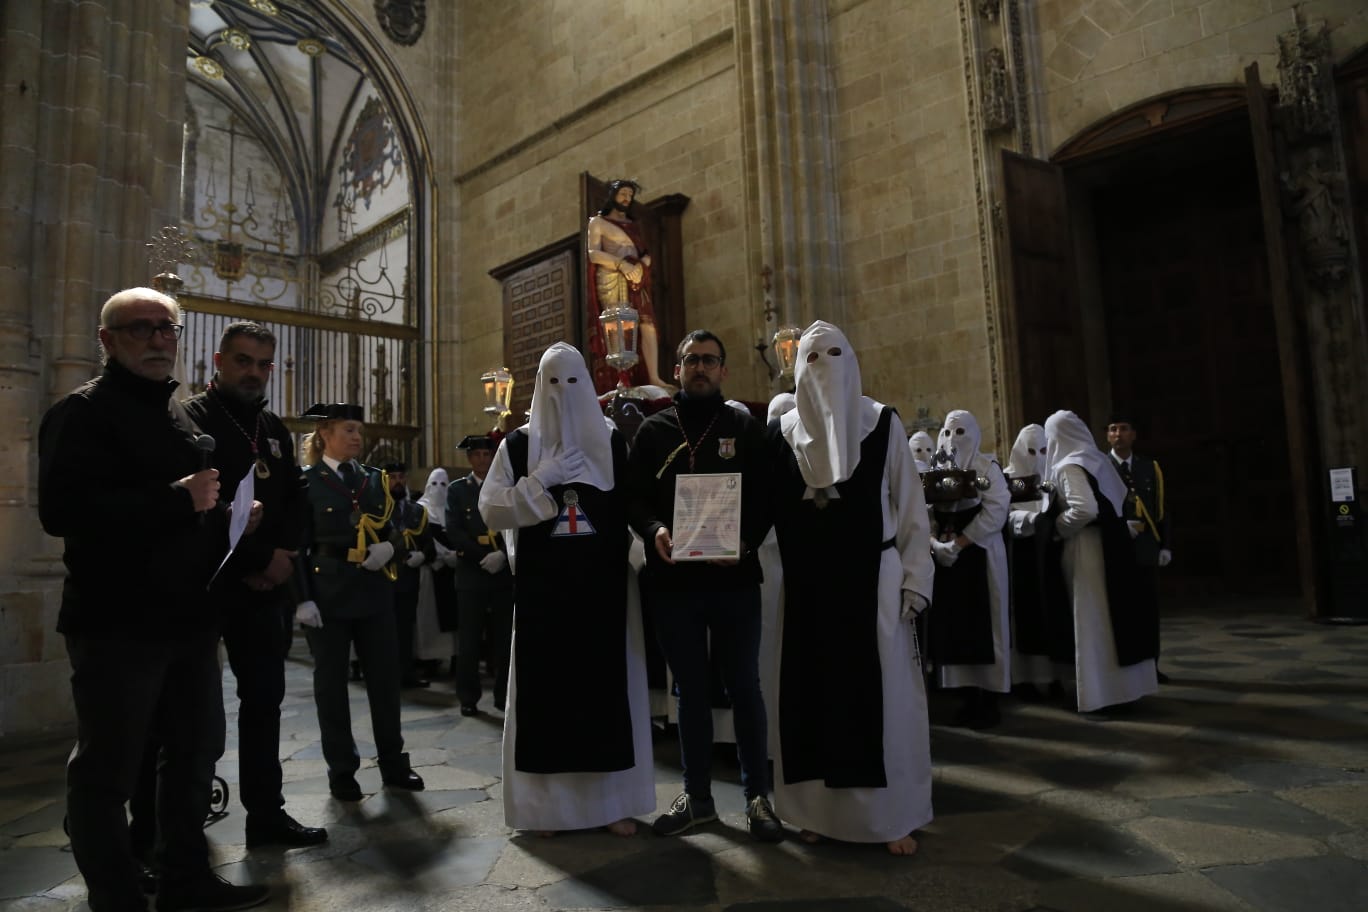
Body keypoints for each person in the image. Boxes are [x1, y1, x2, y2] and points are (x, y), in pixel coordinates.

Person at [38, 287, 270, 912]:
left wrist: (228, 519)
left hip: (189, 619)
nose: (158, 339)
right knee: (108, 770)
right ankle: (116, 897)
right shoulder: (81, 413)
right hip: (118, 621)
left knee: (194, 755)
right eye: (140, 329)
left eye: (167, 328)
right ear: (108, 341)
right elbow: (61, 512)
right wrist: (179, 499)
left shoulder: (181, 417)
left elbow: (186, 511)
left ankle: (185, 879)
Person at [767, 320, 934, 856]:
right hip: (807, 593)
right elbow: (765, 518)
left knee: (881, 702)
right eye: (812, 358)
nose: (825, 368)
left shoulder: (881, 424)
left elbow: (910, 510)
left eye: (835, 354)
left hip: (874, 587)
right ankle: (818, 814)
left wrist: (916, 578)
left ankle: (889, 818)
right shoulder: (783, 433)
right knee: (810, 697)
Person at [478, 341, 655, 835]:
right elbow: (491, 509)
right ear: (539, 386)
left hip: (604, 593)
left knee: (606, 695)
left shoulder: (614, 442)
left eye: (572, 380)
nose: (563, 392)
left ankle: (612, 805)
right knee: (547, 698)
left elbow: (633, 506)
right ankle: (547, 811)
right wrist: (541, 480)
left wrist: (644, 553)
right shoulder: (517, 445)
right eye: (552, 381)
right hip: (544, 595)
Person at [625, 329, 782, 842]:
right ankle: (697, 797)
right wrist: (655, 531)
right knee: (688, 690)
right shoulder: (653, 431)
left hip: (734, 578)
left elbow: (767, 497)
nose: (699, 367)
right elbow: (634, 501)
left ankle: (758, 796)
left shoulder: (744, 426)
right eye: (690, 359)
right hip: (674, 581)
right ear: (676, 370)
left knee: (744, 687)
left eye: (709, 360)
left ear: (724, 371)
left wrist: (746, 543)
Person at [182, 321, 328, 849]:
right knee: (192, 710)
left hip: (266, 588)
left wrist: (283, 557)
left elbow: (293, 500)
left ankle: (267, 815)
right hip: (210, 584)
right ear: (218, 361)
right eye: (243, 360)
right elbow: (200, 511)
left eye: (263, 363)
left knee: (264, 702)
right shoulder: (191, 420)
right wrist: (258, 558)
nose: (253, 372)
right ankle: (180, 821)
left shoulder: (272, 426)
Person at [293, 402, 424, 800]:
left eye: (359, 431)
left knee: (385, 683)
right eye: (348, 429)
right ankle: (342, 771)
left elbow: (401, 526)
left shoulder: (374, 480)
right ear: (325, 435)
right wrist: (301, 600)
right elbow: (297, 545)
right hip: (327, 595)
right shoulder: (306, 482)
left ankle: (393, 764)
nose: (356, 437)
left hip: (373, 592)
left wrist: (391, 548)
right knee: (331, 688)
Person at [1044, 410, 1159, 713]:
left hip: (1087, 548)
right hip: (1114, 546)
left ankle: (1101, 695)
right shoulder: (1097, 459)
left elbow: (1084, 510)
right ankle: (1125, 689)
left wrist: (1057, 527)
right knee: (1115, 617)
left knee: (1091, 619)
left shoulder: (1068, 465)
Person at [925, 409, 1011, 729]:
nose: (951, 439)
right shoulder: (937, 468)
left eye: (959, 432)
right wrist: (936, 543)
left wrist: (962, 542)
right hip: (948, 556)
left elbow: (996, 511)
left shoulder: (986, 468)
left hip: (980, 552)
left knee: (984, 623)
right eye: (946, 432)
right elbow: (928, 509)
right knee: (955, 623)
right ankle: (965, 696)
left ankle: (988, 698)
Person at [448, 434, 514, 716]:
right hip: (472, 572)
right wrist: (480, 555)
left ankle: (503, 695)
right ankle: (468, 696)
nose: (482, 460)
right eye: (476, 455)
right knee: (470, 640)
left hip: (500, 572)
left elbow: (513, 523)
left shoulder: (504, 487)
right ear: (469, 458)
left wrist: (502, 553)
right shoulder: (457, 490)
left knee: (503, 640)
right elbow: (454, 530)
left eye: (487, 455)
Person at [1107, 415, 1172, 682]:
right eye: (1112, 430)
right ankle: (1127, 668)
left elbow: (1161, 509)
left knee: (1148, 611)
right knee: (1124, 610)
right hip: (1118, 548)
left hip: (1145, 546)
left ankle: (1151, 666)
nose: (1117, 434)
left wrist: (1165, 545)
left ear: (1134, 434)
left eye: (1123, 429)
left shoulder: (1148, 468)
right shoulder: (1101, 466)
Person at [1003, 423, 1067, 693]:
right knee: (1022, 615)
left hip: (1049, 555)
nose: (1037, 457)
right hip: (1019, 554)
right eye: (1031, 451)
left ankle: (1054, 677)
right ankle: (1024, 678)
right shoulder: (1007, 478)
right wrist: (1027, 519)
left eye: (1043, 450)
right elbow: (1001, 513)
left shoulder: (1054, 478)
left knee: (1050, 613)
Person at [587, 178, 668, 388]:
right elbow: (593, 253)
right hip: (612, 277)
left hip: (636, 279)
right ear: (613, 195)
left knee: (647, 324)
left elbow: (646, 254)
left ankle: (653, 377)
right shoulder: (598, 223)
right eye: (623, 193)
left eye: (630, 195)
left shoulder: (634, 226)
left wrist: (640, 266)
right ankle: (620, 378)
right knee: (617, 324)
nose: (626, 198)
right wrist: (622, 265)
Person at [384, 462, 436, 689]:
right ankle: (384, 676)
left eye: (400, 477)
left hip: (408, 579)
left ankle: (406, 673)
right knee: (383, 630)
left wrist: (422, 556)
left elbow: (429, 545)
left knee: (405, 629)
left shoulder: (417, 511)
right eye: (392, 477)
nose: (397, 481)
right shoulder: (377, 509)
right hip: (383, 577)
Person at [414, 468, 457, 678]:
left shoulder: (451, 508)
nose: (439, 489)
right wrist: (442, 555)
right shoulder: (422, 509)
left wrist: (456, 555)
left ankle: (453, 659)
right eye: (434, 484)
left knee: (452, 620)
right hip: (431, 570)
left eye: (443, 484)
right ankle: (429, 659)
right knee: (429, 618)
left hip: (452, 571)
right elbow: (424, 538)